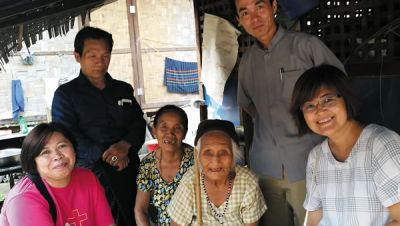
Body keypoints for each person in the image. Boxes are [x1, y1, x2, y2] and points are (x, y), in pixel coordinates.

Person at [232, 0, 346, 225]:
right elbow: (246, 103)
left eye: (260, 7)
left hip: (309, 163)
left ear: (274, 6)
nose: (254, 18)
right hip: (265, 167)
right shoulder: (247, 62)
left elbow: (340, 90)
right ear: (239, 20)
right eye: (245, 12)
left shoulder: (306, 46)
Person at [51, 26, 146, 226]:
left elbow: (138, 122)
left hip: (128, 164)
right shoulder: (66, 95)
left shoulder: (123, 89)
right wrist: (108, 155)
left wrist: (126, 145)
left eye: (105, 55)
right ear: (77, 56)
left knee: (137, 215)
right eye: (92, 55)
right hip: (91, 170)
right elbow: (66, 135)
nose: (100, 62)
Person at [290, 64, 400, 225]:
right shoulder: (316, 157)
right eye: (310, 106)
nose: (320, 111)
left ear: (346, 98)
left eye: (328, 100)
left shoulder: (382, 146)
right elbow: (313, 216)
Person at [0, 122, 115, 226]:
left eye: (62, 146)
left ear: (74, 149)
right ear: (33, 161)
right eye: (45, 152)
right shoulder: (23, 200)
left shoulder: (87, 178)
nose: (57, 156)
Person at [167, 119, 267, 226]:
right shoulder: (191, 182)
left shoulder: (248, 182)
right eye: (208, 152)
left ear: (234, 154)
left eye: (223, 152)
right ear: (197, 154)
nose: (215, 161)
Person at [135, 105, 194, 225]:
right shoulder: (148, 165)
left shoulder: (196, 160)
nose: (170, 134)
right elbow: (140, 210)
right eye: (164, 127)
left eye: (177, 128)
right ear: (154, 131)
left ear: (185, 132)